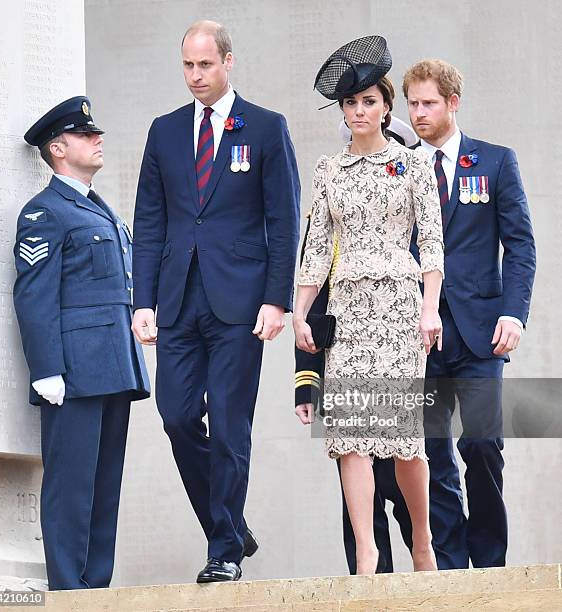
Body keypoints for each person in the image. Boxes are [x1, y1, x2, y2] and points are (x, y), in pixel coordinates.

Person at [131, 20, 300, 582]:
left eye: (205, 65)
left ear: (228, 61)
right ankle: (229, 524)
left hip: (240, 303)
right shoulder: (165, 131)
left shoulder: (267, 128)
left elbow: (284, 220)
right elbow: (150, 221)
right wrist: (143, 299)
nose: (195, 76)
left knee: (229, 425)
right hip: (178, 298)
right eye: (187, 65)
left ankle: (223, 550)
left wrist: (277, 300)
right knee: (177, 417)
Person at [293, 36, 444, 575]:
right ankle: (366, 550)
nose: (360, 112)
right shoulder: (328, 170)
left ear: (386, 106)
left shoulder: (412, 167)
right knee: (351, 438)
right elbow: (314, 251)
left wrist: (430, 310)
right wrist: (299, 312)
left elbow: (431, 248)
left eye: (369, 102)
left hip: (401, 309)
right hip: (349, 310)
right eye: (350, 104)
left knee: (405, 442)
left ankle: (422, 539)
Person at [400, 59, 537, 569]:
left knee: (481, 446)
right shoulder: (399, 166)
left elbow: (520, 245)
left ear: (453, 102)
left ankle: (490, 564)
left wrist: (514, 314)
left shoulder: (496, 162)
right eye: (412, 103)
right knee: (430, 455)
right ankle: (452, 569)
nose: (418, 113)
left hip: (482, 332)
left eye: (428, 103)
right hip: (419, 334)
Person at [13, 96, 150, 590]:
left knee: (103, 488)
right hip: (72, 372)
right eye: (84, 134)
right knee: (70, 488)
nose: (98, 139)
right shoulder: (45, 212)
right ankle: (69, 590)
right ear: (57, 148)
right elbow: (34, 295)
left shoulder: (96, 208)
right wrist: (46, 367)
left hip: (114, 366)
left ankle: (97, 591)